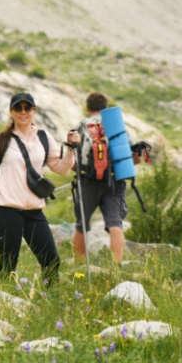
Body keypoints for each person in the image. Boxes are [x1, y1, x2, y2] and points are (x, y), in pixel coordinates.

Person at [0, 92, 71, 278]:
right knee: (9, 264)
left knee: (52, 261)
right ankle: (4, 303)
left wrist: (71, 149)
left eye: (27, 108)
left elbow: (61, 168)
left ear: (34, 111)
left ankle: (45, 299)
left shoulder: (45, 138)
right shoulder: (2, 139)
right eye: (18, 108)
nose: (23, 112)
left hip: (34, 211)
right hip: (5, 209)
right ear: (11, 111)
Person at [67, 92, 130, 266]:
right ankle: (116, 267)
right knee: (115, 224)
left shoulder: (81, 127)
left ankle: (79, 266)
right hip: (114, 182)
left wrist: (81, 169)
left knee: (82, 225)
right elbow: (130, 157)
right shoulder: (116, 126)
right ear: (106, 108)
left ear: (87, 108)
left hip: (88, 182)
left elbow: (72, 161)